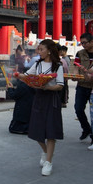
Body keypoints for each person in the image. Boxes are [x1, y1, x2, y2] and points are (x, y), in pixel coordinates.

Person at [19, 39, 64, 176]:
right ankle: (45, 151)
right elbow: (27, 77)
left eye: (41, 49)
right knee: (36, 130)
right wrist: (14, 75)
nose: (38, 52)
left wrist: (47, 87)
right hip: (38, 98)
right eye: (38, 49)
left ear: (49, 50)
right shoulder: (37, 64)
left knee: (50, 131)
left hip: (51, 100)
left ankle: (48, 162)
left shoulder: (58, 66)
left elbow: (60, 85)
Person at [72, 33, 93, 142]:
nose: (83, 45)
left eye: (85, 42)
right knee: (78, 109)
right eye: (82, 43)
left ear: (92, 42)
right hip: (82, 86)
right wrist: (75, 75)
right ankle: (86, 129)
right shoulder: (80, 53)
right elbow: (76, 67)